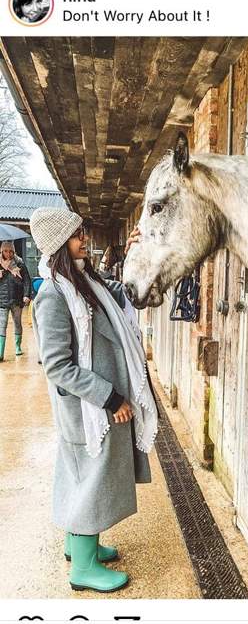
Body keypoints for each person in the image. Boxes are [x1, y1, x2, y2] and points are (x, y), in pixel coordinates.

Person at [30, 207, 158, 593]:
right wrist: (110, 397)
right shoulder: (53, 295)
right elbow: (57, 366)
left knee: (81, 477)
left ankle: (81, 546)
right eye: (76, 236)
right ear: (59, 246)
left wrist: (135, 255)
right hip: (89, 409)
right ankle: (83, 569)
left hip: (92, 406)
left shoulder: (82, 280)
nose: (83, 239)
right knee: (91, 479)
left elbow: (116, 296)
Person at [0, 241, 31, 361]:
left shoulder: (20, 263)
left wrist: (26, 295)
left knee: (17, 323)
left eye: (10, 251)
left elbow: (27, 281)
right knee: (2, 325)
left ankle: (18, 346)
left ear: (13, 251)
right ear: (1, 251)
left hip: (17, 299)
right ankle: (0, 352)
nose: (8, 253)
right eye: (6, 251)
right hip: (2, 300)